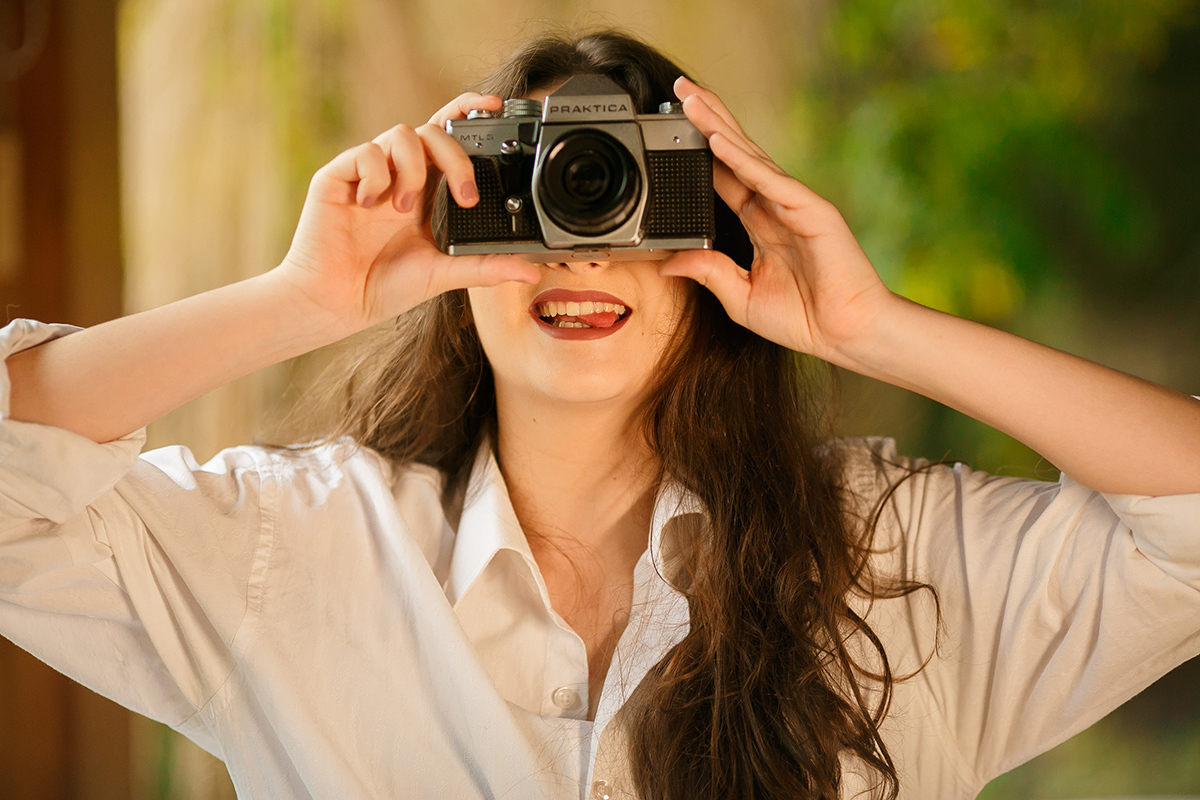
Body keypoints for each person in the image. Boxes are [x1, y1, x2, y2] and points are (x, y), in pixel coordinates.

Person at [2, 28, 1199, 800]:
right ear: (461, 238)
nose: (588, 249)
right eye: (536, 194)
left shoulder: (888, 555)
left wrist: (870, 326)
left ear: (711, 235)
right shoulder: (294, 546)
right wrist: (301, 299)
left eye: (632, 190)